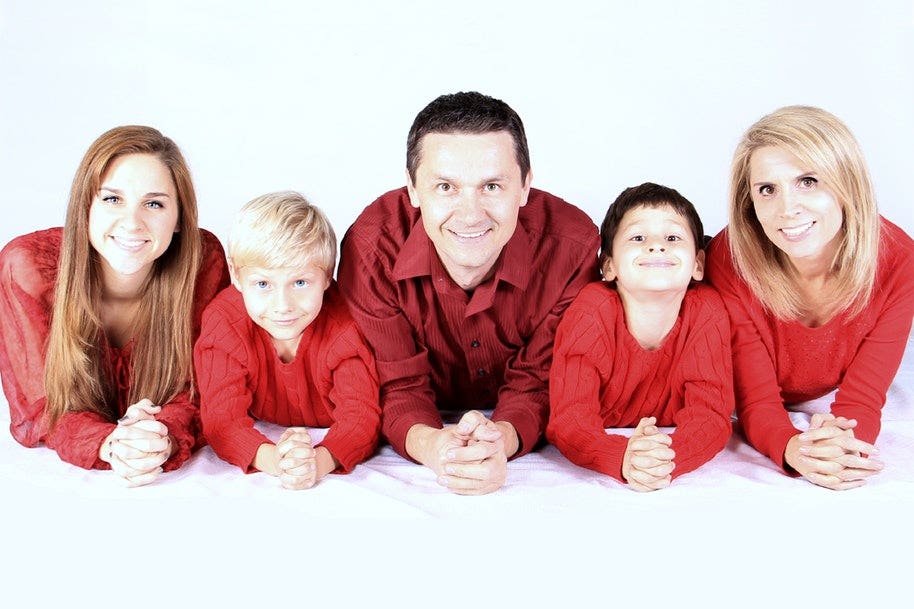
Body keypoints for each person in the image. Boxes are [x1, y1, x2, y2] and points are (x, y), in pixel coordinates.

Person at [337, 91, 600, 495]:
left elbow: (540, 381)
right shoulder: (372, 249)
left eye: (492, 186)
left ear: (526, 186)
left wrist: (502, 441)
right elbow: (396, 386)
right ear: (412, 189)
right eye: (445, 186)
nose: (471, 213)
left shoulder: (572, 246)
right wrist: (435, 447)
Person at [0, 125, 229, 486]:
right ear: (85, 207)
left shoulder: (204, 263)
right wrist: (110, 444)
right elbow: (40, 408)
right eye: (112, 199)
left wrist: (161, 435)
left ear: (180, 219)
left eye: (154, 203)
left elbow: (208, 390)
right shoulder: (28, 267)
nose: (132, 223)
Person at [705, 105, 914, 490]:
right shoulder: (730, 256)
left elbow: (863, 398)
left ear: (846, 182)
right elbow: (755, 399)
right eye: (767, 189)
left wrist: (844, 445)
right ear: (749, 203)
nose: (788, 209)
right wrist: (791, 449)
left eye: (808, 181)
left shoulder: (900, 260)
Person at [547, 182, 733, 491]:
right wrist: (621, 458)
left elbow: (711, 416)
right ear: (608, 266)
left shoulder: (706, 311)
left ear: (698, 264)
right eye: (638, 237)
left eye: (673, 237)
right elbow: (570, 418)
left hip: (661, 452)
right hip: (610, 441)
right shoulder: (592, 312)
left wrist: (667, 458)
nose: (657, 246)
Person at [194, 191, 380, 490]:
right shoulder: (224, 321)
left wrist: (316, 462)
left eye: (301, 282)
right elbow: (221, 419)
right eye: (263, 284)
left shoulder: (344, 325)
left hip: (321, 437)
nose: (283, 305)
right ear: (237, 277)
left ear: (328, 277)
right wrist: (277, 460)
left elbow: (361, 417)